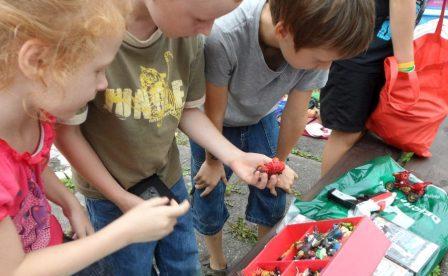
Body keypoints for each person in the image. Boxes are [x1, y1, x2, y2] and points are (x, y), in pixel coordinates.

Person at [55, 0, 277, 275]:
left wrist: (235, 157)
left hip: (167, 179)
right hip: (111, 196)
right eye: (199, 17)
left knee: (184, 263)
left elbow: (187, 109)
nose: (207, 31)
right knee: (130, 268)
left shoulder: (187, 38)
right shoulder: (90, 35)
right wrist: (121, 198)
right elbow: (66, 131)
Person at [0, 1, 190, 275]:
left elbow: (32, 168)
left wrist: (69, 202)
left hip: (49, 248)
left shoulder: (34, 111)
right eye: (97, 70)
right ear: (37, 61)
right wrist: (124, 232)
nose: (104, 84)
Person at [189, 0, 376, 273]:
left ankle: (267, 253)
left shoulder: (316, 43)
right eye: (320, 59)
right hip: (211, 124)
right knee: (208, 192)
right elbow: (213, 110)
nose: (326, 66)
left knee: (273, 192)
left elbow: (295, 113)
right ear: (283, 30)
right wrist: (214, 161)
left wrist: (281, 161)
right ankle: (217, 259)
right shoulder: (225, 35)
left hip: (260, 117)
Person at [320, 0, 427, 176]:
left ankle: (344, 190)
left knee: (360, 132)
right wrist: (406, 65)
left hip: (380, 55)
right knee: (346, 133)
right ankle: (327, 195)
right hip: (359, 54)